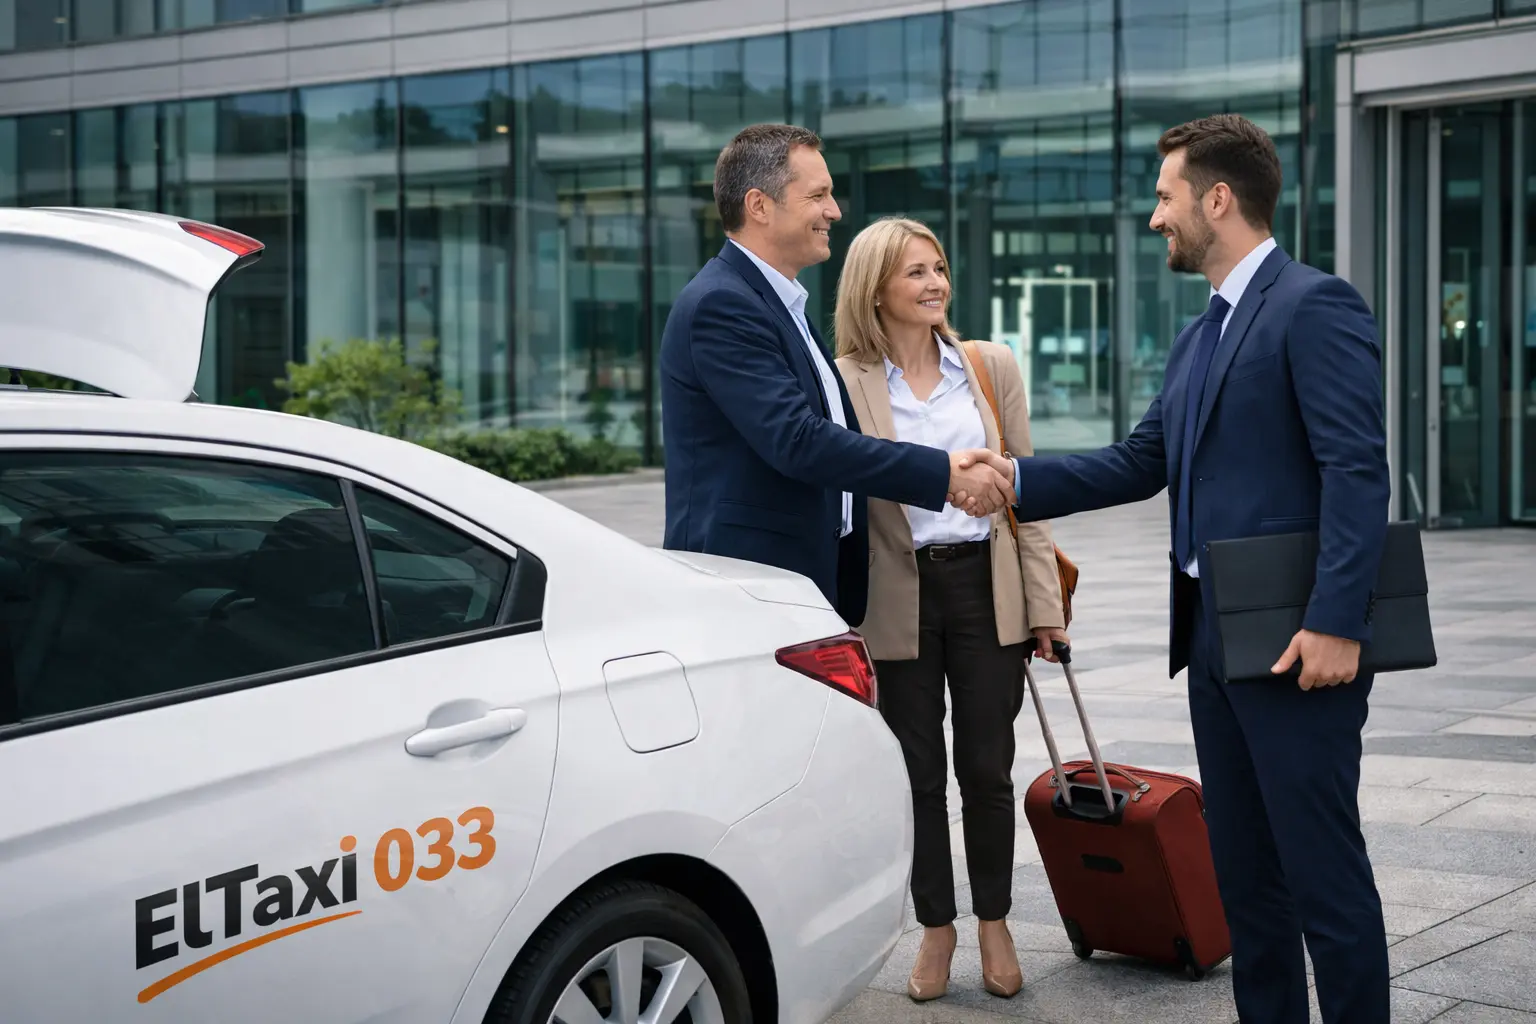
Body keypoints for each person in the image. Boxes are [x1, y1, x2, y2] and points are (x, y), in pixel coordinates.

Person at [955, 114, 1391, 1024]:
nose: (1157, 217)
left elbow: (1358, 470)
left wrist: (1339, 619)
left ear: (1217, 199)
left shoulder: (1316, 305)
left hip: (1299, 641)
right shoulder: (1202, 337)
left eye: (1166, 196)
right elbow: (1138, 459)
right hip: (1214, 643)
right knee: (1247, 876)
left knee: (1323, 876)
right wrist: (1012, 481)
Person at [831, 216, 1069, 1003]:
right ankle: (937, 929)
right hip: (896, 594)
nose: (935, 284)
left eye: (938, 269)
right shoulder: (845, 380)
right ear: (875, 288)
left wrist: (1046, 608)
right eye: (915, 273)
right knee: (916, 772)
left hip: (984, 584)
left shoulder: (988, 367)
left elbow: (1025, 499)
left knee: (987, 769)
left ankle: (995, 921)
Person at [659, 123, 1013, 626]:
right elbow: (799, 440)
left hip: (794, 581)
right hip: (750, 588)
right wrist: (943, 473)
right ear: (759, 205)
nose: (835, 211)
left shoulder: (779, 304)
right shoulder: (724, 305)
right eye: (818, 195)